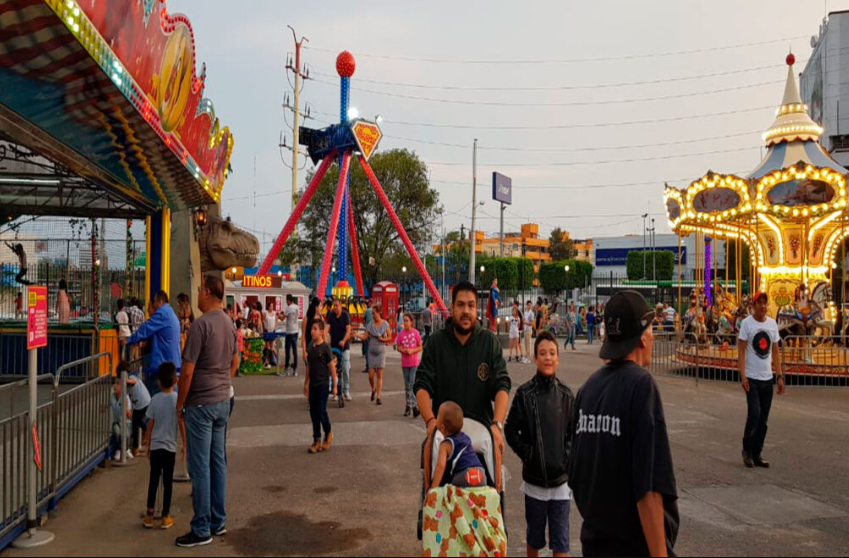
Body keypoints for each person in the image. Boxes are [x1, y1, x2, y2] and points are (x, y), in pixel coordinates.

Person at [568, 291, 678, 558]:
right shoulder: (642, 387)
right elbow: (648, 487)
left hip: (595, 543)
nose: (653, 336)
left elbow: (575, 473)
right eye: (650, 328)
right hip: (634, 546)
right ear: (641, 337)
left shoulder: (587, 389)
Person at [175, 276, 239, 548]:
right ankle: (218, 520)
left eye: (200, 290)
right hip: (222, 400)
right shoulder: (229, 323)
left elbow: (187, 372)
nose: (197, 295)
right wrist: (222, 382)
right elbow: (235, 361)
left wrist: (181, 403)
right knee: (217, 462)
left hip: (200, 404)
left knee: (199, 466)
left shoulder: (200, 326)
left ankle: (201, 527)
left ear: (208, 293)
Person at [415, 282, 511, 461]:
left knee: (491, 483)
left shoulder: (489, 343)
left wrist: (497, 426)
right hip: (444, 437)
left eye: (471, 305)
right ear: (451, 307)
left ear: (477, 309)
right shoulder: (436, 343)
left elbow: (502, 386)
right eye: (460, 305)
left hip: (481, 436)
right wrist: (430, 421)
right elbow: (421, 385)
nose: (466, 311)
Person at [506, 331, 575, 558]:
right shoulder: (525, 394)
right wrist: (529, 454)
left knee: (561, 542)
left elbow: (574, 434)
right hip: (534, 483)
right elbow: (510, 429)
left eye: (552, 353)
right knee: (534, 539)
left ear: (558, 358)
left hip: (561, 484)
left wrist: (566, 458)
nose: (547, 358)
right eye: (543, 353)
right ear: (535, 358)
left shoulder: (566, 395)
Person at [738, 292, 785, 469]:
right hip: (752, 377)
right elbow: (741, 351)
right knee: (754, 414)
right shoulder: (747, 324)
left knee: (763, 419)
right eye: (760, 303)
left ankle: (757, 452)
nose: (763, 306)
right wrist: (743, 376)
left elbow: (775, 352)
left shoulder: (772, 325)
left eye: (765, 303)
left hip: (767, 378)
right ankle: (747, 450)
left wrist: (779, 375)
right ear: (754, 304)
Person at [142, 363, 186, 530]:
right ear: (175, 381)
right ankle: (166, 516)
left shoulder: (154, 399)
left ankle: (149, 514)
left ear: (159, 382)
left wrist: (147, 444)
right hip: (169, 448)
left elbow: (150, 425)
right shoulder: (177, 400)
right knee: (168, 482)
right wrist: (185, 442)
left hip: (155, 447)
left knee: (154, 480)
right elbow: (180, 422)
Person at [123, 291, 181, 397]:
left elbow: (145, 328)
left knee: (157, 406)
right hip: (172, 369)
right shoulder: (171, 313)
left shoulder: (162, 314)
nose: (153, 306)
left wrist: (129, 340)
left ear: (160, 301)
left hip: (161, 371)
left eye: (154, 302)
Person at [429, 401, 487, 490]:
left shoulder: (445, 444)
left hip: (464, 475)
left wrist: (433, 488)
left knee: (450, 490)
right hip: (481, 474)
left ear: (442, 427)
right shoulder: (466, 438)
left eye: (437, 417)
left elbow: (440, 466)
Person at [304, 318, 337, 454]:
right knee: (313, 413)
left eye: (315, 329)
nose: (312, 331)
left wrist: (335, 385)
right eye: (312, 329)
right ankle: (316, 439)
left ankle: (328, 432)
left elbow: (332, 367)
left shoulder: (325, 348)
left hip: (323, 384)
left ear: (322, 332)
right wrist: (306, 383)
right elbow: (309, 366)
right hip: (313, 384)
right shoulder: (311, 346)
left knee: (322, 411)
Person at [357, 305, 392, 406]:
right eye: (372, 313)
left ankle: (379, 397)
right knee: (371, 375)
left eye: (374, 313)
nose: (372, 315)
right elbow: (365, 337)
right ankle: (373, 388)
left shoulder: (385, 324)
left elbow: (389, 337)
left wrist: (383, 339)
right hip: (371, 352)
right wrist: (356, 335)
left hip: (381, 352)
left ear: (379, 313)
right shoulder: (370, 325)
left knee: (379, 375)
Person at [116, 361, 151, 454]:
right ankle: (136, 445)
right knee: (136, 422)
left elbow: (133, 382)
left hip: (142, 403)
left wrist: (126, 380)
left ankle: (146, 433)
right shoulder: (133, 376)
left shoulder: (131, 378)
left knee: (136, 422)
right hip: (144, 401)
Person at [325, 298, 352, 402]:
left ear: (341, 306)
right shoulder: (331, 315)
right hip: (333, 347)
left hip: (344, 346)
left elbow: (348, 330)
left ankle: (346, 390)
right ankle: (334, 391)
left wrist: (344, 340)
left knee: (345, 367)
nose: (335, 307)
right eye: (334, 306)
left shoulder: (345, 315)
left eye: (337, 305)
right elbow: (327, 328)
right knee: (333, 369)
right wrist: (323, 340)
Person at [396, 313, 423, 418]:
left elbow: (420, 347)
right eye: (404, 320)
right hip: (405, 363)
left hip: (414, 362)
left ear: (411, 322)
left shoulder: (415, 333)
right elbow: (398, 346)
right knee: (407, 385)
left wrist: (412, 351)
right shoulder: (402, 334)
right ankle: (408, 405)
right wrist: (403, 350)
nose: (405, 323)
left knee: (412, 384)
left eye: (407, 321)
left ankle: (414, 406)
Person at [110, 376, 133, 461]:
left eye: (118, 384)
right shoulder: (112, 396)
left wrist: (126, 408)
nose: (115, 386)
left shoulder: (126, 398)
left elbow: (129, 415)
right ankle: (120, 450)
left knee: (124, 433)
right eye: (114, 383)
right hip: (116, 422)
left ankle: (125, 449)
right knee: (117, 431)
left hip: (125, 422)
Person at [284, 295, 300, 375]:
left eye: (287, 301)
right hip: (296, 330)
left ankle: (286, 370)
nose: (286, 302)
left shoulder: (289, 308)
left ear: (289, 300)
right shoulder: (297, 307)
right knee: (295, 351)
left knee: (287, 351)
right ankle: (295, 370)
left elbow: (283, 318)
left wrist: (278, 315)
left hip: (289, 331)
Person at [362, 299, 374, 373]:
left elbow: (363, 319)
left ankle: (368, 366)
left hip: (367, 331)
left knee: (367, 350)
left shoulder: (367, 310)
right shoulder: (375, 311)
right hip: (374, 332)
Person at [523, 301, 536, 365]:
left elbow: (532, 323)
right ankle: (526, 356)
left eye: (530, 305)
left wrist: (526, 323)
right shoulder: (525, 312)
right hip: (525, 329)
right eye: (528, 305)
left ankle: (529, 357)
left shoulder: (531, 313)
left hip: (528, 330)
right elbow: (523, 320)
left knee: (528, 344)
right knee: (525, 344)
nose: (529, 306)